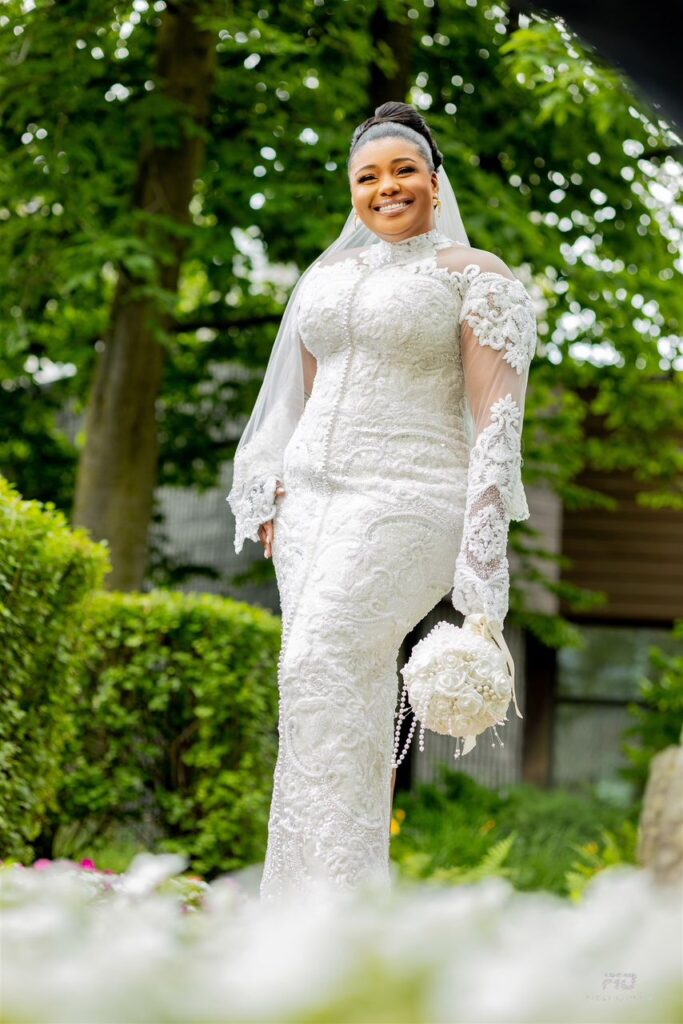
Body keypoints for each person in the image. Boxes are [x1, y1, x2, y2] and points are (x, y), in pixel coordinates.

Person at [226, 102, 536, 902]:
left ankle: (327, 913)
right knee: (323, 684)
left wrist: (481, 577)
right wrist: (266, 484)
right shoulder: (326, 279)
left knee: (317, 659)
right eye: (367, 176)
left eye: (403, 171)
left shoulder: (474, 277)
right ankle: (313, 907)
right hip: (309, 514)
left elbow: (497, 425)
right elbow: (289, 396)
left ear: (434, 183)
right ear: (353, 193)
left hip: (410, 496)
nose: (385, 187)